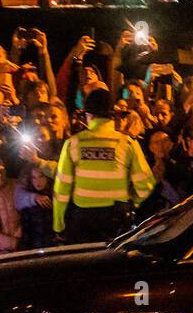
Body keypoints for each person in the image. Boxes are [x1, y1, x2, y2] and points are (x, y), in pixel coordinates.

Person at [52, 89, 155, 244]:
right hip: (116, 221)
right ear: (111, 116)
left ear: (89, 115)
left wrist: (58, 226)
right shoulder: (127, 143)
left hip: (82, 222)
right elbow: (146, 185)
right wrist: (131, 203)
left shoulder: (73, 143)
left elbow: (61, 190)